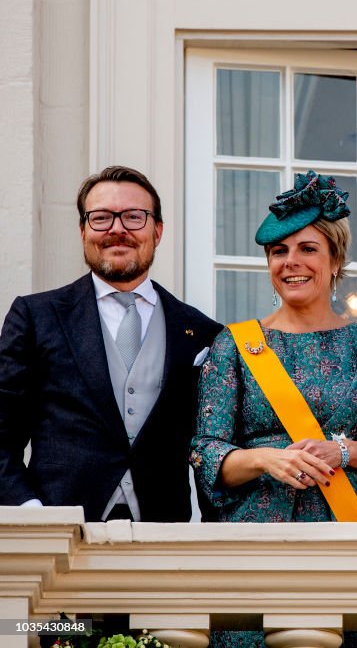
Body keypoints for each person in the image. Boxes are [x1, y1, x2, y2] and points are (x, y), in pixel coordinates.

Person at [190, 171, 357, 648]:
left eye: (307, 249)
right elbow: (206, 451)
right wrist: (266, 459)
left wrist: (345, 452)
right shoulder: (235, 345)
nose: (291, 263)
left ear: (336, 260)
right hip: (257, 550)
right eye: (279, 252)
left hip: (351, 549)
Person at [0, 165, 222, 522]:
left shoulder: (202, 331)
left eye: (134, 216)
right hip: (58, 538)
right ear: (83, 230)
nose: (117, 229)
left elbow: (212, 449)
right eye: (101, 217)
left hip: (164, 539)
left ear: (158, 231)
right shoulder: (36, 316)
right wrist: (31, 514)